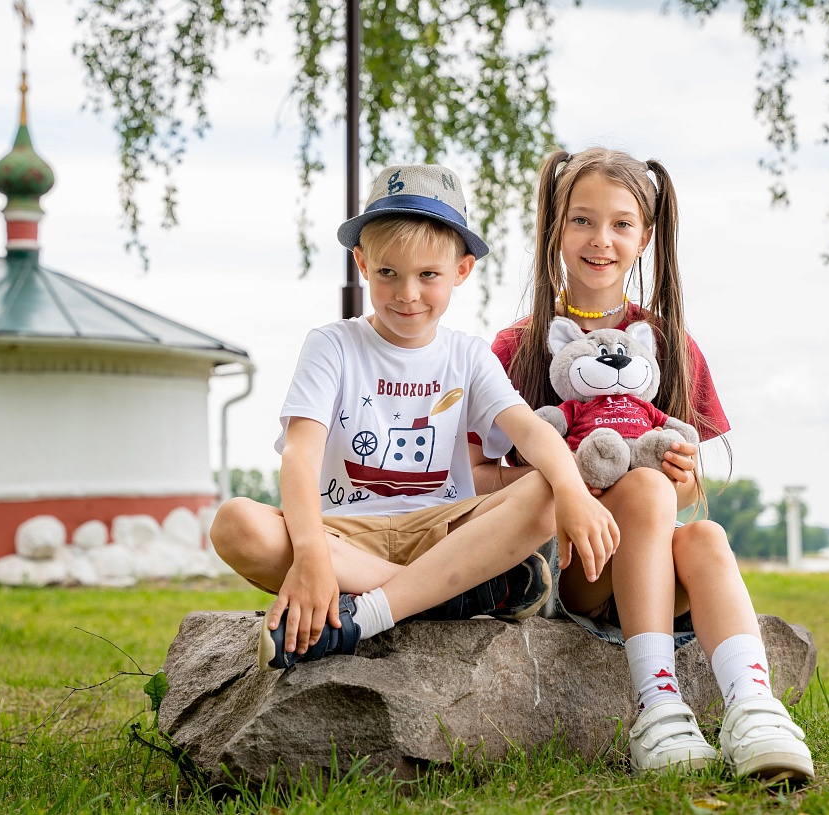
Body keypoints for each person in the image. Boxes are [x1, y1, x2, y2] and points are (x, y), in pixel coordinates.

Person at [475, 147, 814, 784]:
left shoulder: (668, 343)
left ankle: (754, 712)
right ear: (555, 228)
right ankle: (657, 709)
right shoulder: (516, 346)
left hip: (647, 562)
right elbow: (474, 474)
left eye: (621, 224)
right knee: (644, 492)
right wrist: (566, 481)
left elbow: (686, 491)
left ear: (646, 237)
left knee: (705, 535)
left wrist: (679, 482)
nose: (600, 239)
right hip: (568, 566)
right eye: (581, 220)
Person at [210, 163, 619, 675]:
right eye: (388, 273)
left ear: (461, 271)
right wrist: (311, 553)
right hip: (342, 536)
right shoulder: (332, 345)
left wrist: (574, 491)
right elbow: (300, 453)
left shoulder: (467, 355)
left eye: (428, 275)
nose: (407, 293)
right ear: (362, 263)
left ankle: (372, 611)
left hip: (445, 532)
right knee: (236, 524)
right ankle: (448, 594)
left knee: (547, 487)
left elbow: (532, 431)